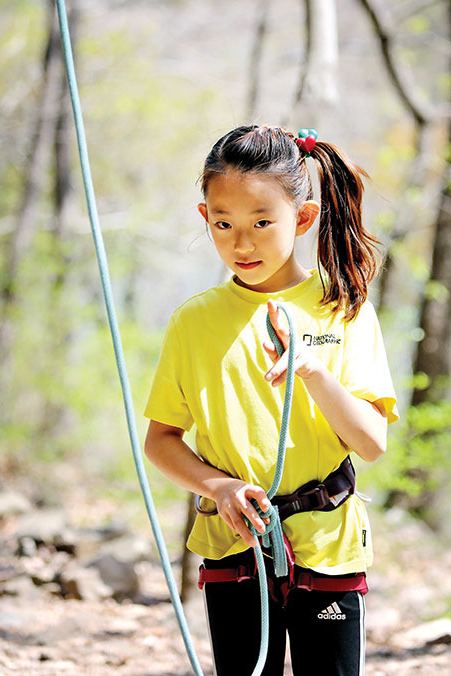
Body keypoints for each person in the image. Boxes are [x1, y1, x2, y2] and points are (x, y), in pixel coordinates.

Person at [144, 124, 399, 676]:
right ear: (203, 216)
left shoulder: (342, 311)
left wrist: (312, 370)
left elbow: (372, 442)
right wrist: (220, 486)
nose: (242, 242)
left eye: (263, 222)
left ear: (302, 219)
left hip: (326, 547)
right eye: (224, 224)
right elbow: (161, 441)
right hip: (234, 548)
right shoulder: (194, 322)